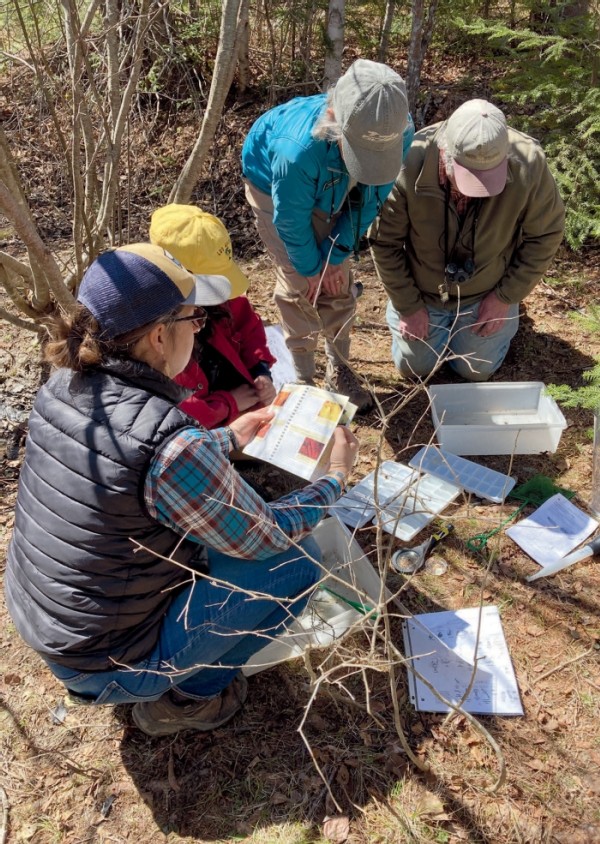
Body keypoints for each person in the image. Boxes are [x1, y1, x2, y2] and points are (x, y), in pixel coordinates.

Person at [5, 244, 359, 737]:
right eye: (194, 319)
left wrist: (228, 436)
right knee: (298, 565)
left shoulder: (65, 385)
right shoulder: (170, 446)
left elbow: (126, 460)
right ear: (157, 336)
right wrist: (334, 479)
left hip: (52, 622)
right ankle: (187, 700)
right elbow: (266, 534)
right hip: (105, 661)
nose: (200, 328)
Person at [242, 58, 415, 413]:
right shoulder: (297, 150)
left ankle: (340, 370)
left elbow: (372, 197)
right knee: (299, 284)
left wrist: (336, 256)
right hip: (277, 190)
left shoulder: (398, 129)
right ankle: (303, 377)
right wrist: (310, 267)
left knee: (337, 282)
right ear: (335, 117)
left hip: (335, 184)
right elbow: (290, 219)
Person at [369, 98, 565, 381]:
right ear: (445, 152)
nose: (476, 192)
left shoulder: (528, 163)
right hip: (424, 293)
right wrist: (408, 306)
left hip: (486, 291)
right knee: (414, 369)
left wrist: (505, 296)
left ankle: (506, 312)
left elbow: (546, 234)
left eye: (488, 178)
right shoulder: (410, 159)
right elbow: (384, 243)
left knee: (475, 371)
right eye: (469, 178)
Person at [149, 204, 277, 428]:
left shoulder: (224, 301)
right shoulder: (151, 332)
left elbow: (248, 328)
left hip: (238, 402)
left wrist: (260, 370)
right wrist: (228, 404)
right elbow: (169, 409)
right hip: (204, 424)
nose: (219, 297)